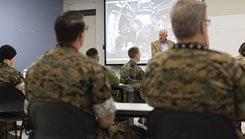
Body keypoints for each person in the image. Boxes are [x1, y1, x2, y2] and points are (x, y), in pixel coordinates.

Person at [25, 11, 145, 139]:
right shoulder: (92, 68)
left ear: (55, 35)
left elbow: (30, 112)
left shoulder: (34, 69)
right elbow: (106, 120)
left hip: (45, 135)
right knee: (138, 132)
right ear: (82, 37)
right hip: (84, 135)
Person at [142, 0, 245, 139]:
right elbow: (241, 111)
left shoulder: (154, 67)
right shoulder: (227, 64)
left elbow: (152, 104)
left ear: (174, 28)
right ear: (203, 27)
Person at [0, 44, 25, 138]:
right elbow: (25, 89)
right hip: (8, 109)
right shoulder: (13, 73)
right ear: (11, 58)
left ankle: (8, 126)